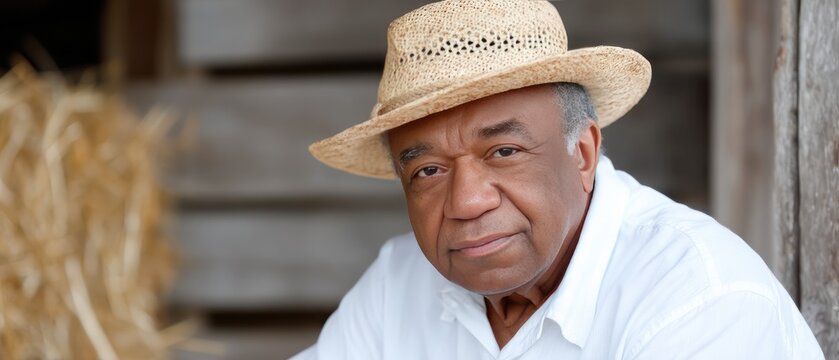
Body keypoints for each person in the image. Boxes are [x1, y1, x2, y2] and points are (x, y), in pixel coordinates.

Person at [293, 0, 824, 358]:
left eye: (503, 151)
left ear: (584, 153)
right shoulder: (399, 282)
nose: (467, 202)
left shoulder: (700, 300)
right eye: (428, 170)